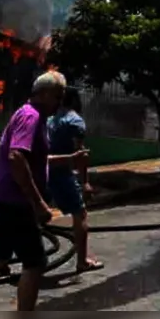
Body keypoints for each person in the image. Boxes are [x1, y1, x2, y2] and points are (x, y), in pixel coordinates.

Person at [0, 71, 89, 312]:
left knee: (1, 255)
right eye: (57, 97)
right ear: (44, 94)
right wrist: (38, 204)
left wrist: (69, 158)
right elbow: (17, 157)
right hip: (15, 202)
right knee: (35, 263)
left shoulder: (30, 115)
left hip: (3, 198)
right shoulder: (32, 117)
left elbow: (37, 158)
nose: (59, 103)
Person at [47, 87, 103, 274]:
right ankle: (82, 261)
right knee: (80, 215)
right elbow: (80, 155)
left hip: (44, 171)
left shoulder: (49, 120)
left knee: (33, 216)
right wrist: (85, 181)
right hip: (63, 172)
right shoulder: (75, 121)